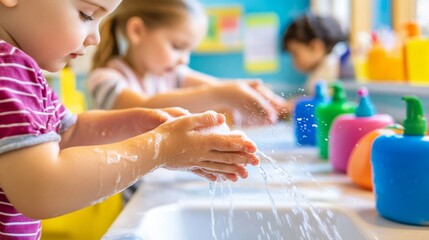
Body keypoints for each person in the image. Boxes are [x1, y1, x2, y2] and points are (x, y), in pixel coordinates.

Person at [0, 0, 260, 239]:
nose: (96, 37)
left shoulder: (20, 71)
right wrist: (162, 148)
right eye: (86, 14)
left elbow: (69, 132)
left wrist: (142, 123)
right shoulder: (9, 68)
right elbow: (42, 190)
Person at [87, 0, 290, 127]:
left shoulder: (171, 74)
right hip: (129, 193)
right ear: (137, 31)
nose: (184, 59)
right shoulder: (105, 80)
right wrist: (225, 93)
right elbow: (145, 107)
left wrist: (251, 91)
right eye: (177, 46)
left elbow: (214, 85)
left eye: (188, 50)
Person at [282, 12, 350, 95]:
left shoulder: (330, 64)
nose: (293, 63)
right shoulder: (322, 68)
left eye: (296, 54)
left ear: (316, 47)